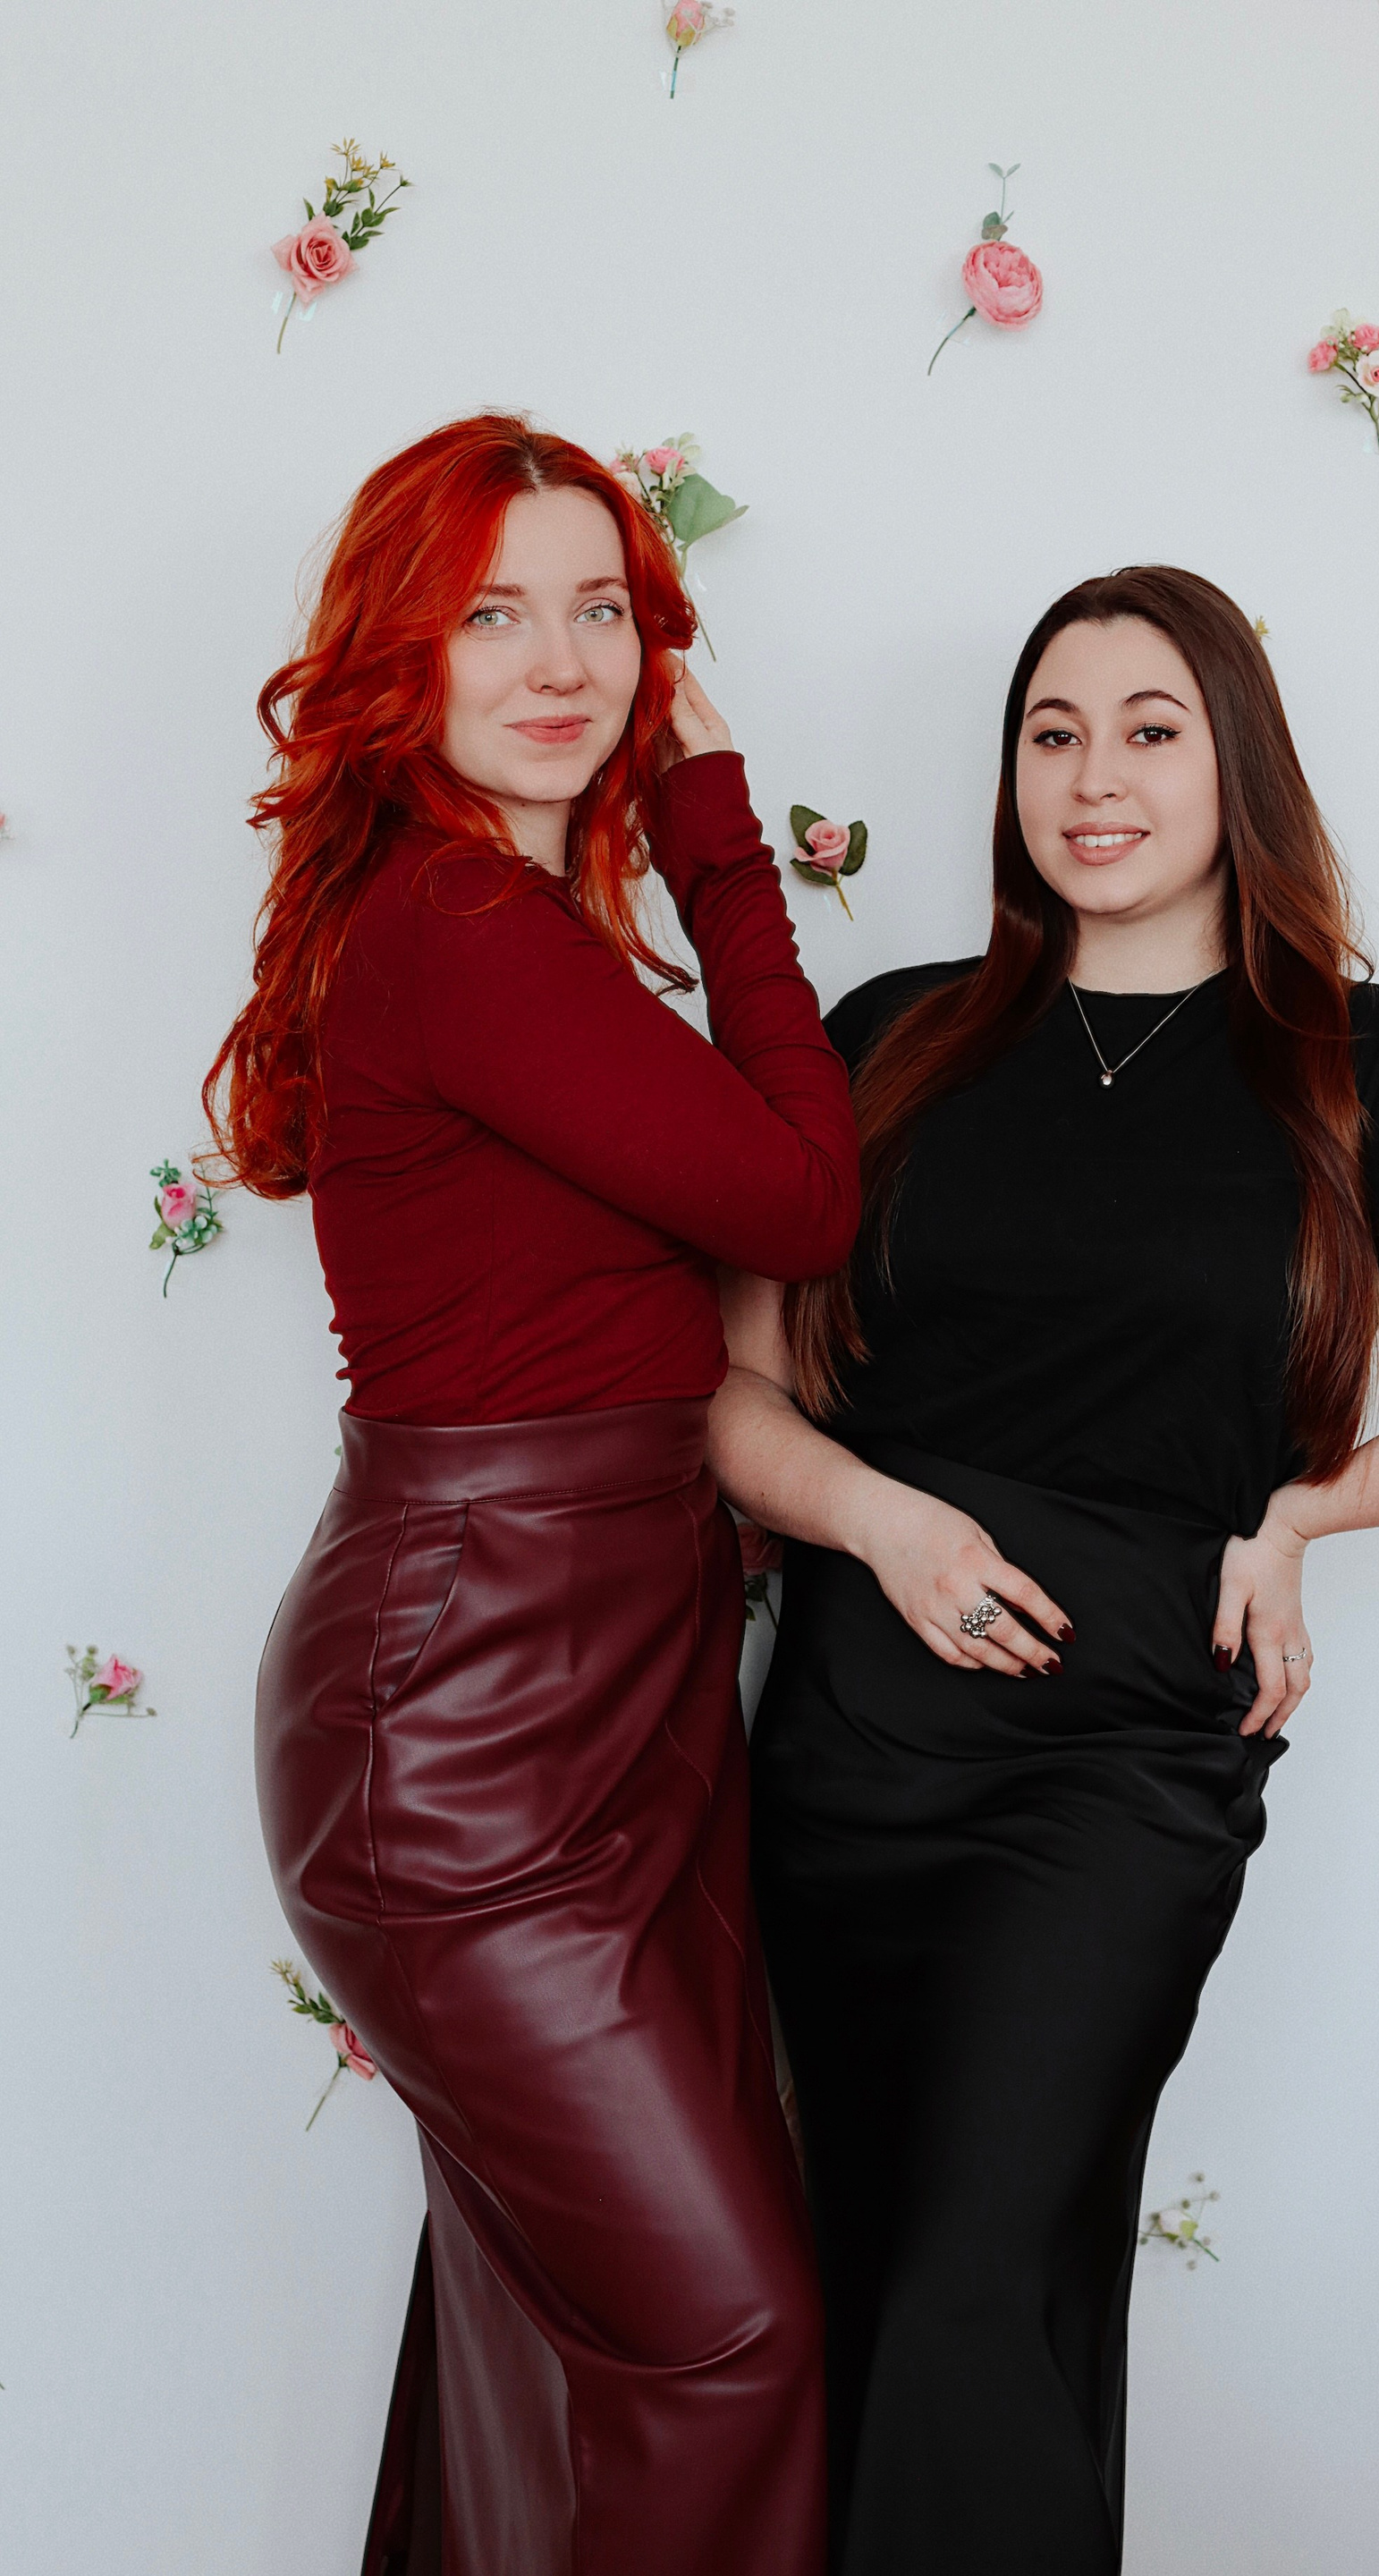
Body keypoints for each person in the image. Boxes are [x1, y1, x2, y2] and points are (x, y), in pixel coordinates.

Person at [706, 565, 1379, 2576]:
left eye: (1151, 730)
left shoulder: (1365, 1062)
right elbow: (731, 1401)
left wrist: (1312, 1509)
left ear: (1240, 763)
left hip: (1125, 1765)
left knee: (971, 2279)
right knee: (891, 2277)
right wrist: (882, 1518)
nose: (1095, 778)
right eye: (1051, 733)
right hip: (849, 1750)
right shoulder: (893, 1038)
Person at [204, 413, 859, 2575]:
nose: (562, 663)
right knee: (726, 2337)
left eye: (600, 609)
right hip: (466, 1733)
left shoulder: (507, 925)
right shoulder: (459, 922)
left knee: (556, 2339)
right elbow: (800, 1197)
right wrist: (716, 832)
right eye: (493, 614)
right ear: (404, 654)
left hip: (617, 1695)